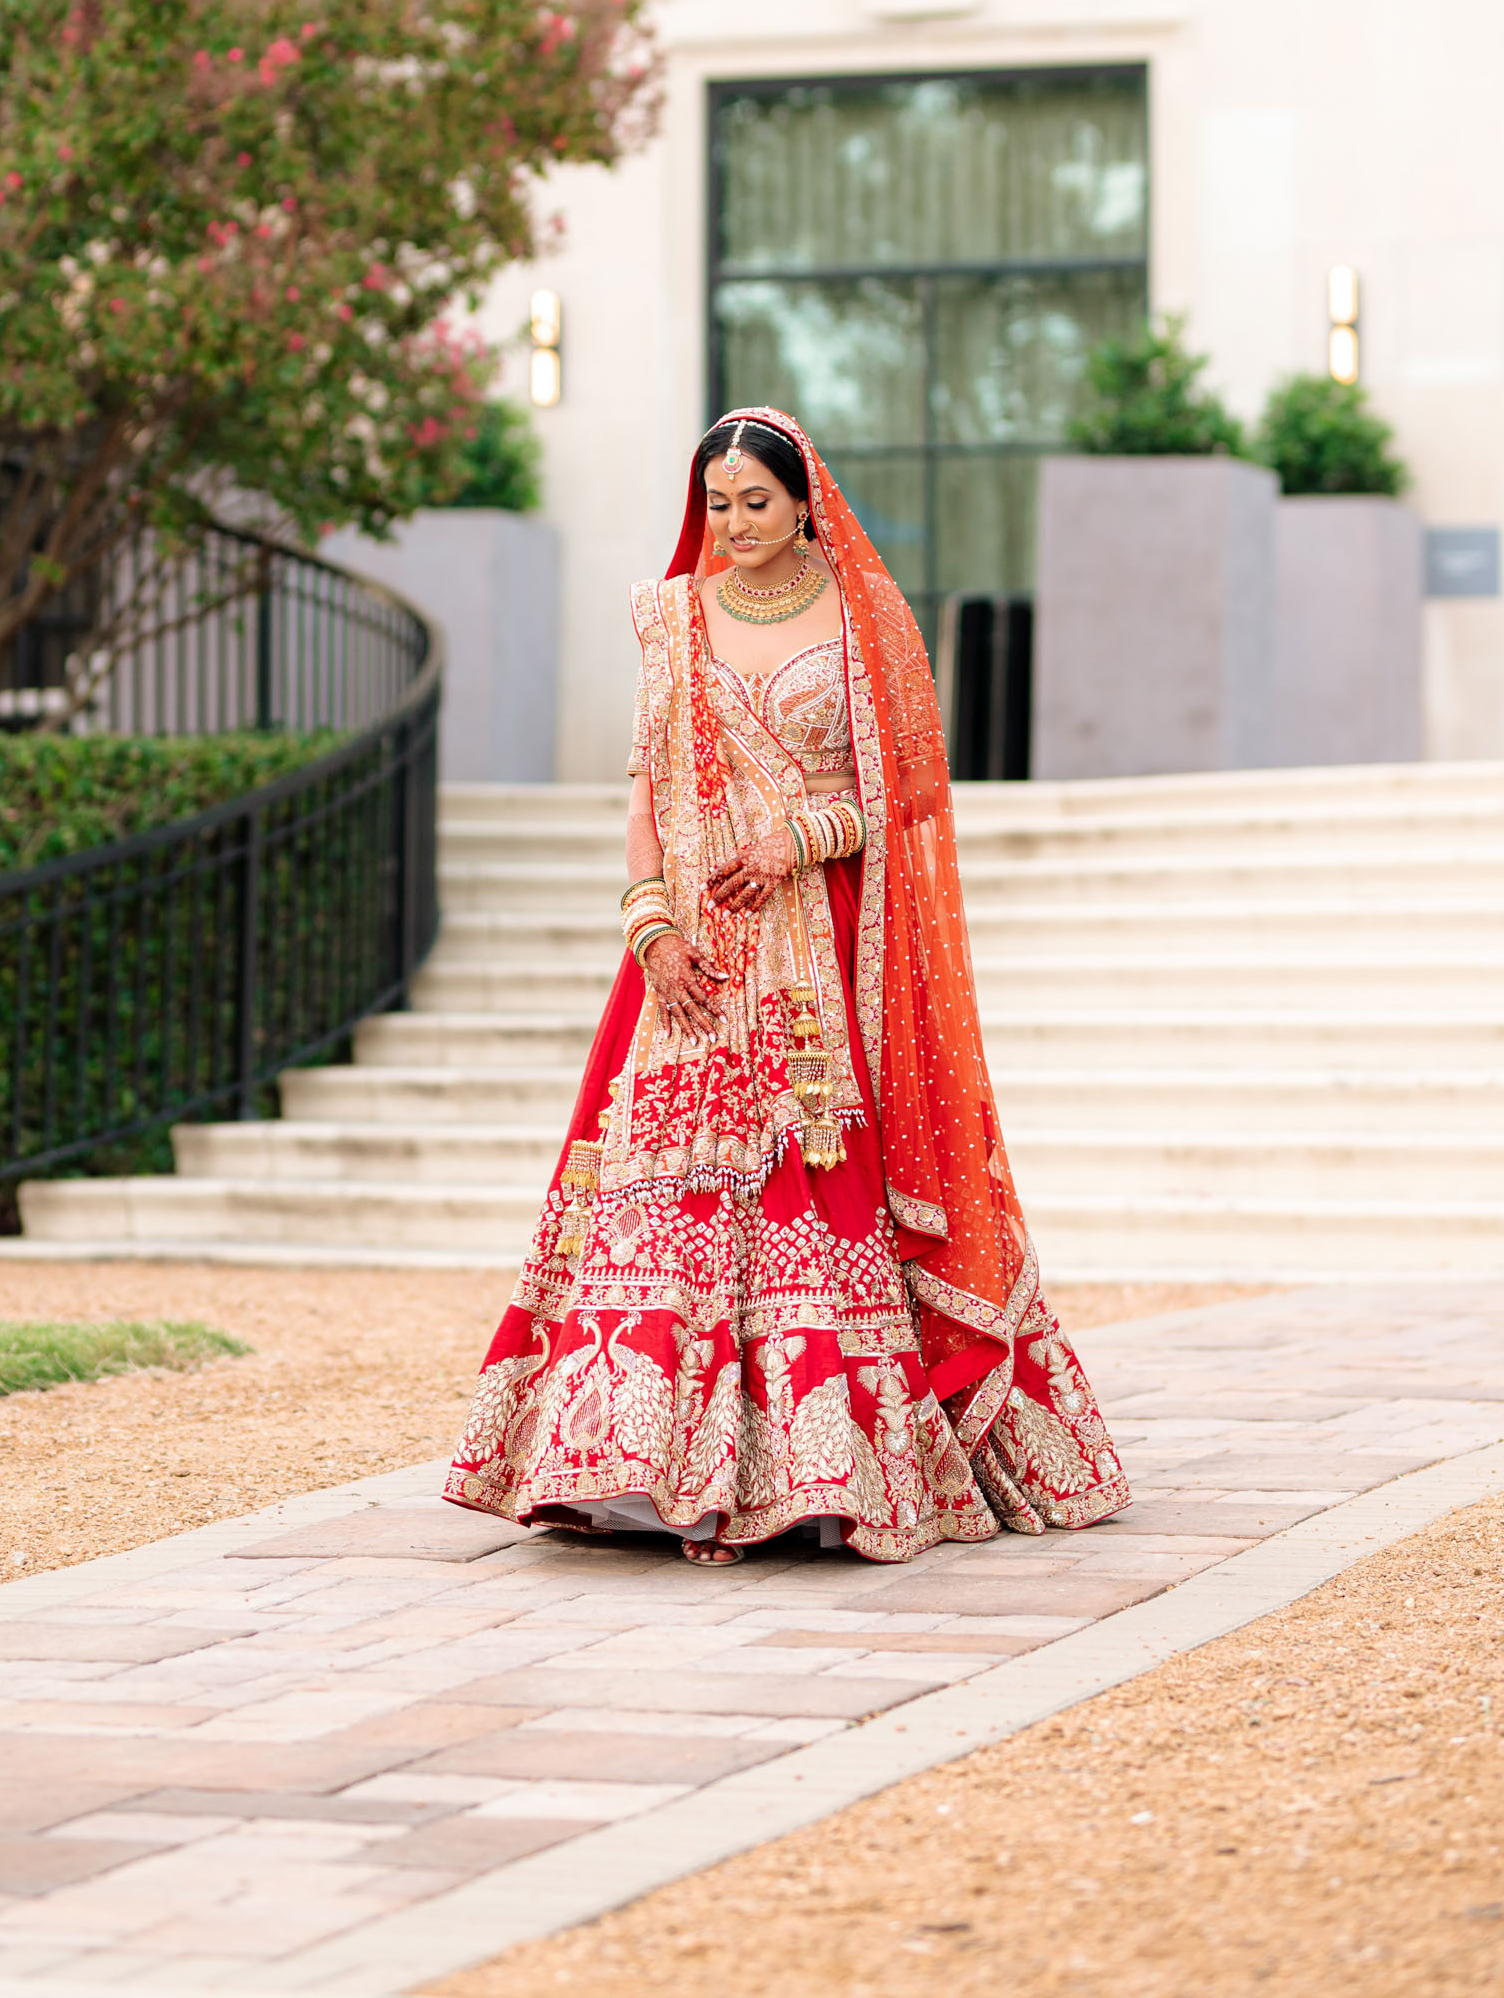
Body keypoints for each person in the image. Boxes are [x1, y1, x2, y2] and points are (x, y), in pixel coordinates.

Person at [443, 406, 1128, 1565]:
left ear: (804, 500)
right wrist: (651, 926)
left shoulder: (864, 622)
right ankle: (632, 1461)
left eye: (754, 502)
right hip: (691, 957)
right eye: (715, 504)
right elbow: (642, 792)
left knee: (807, 1177)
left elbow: (906, 804)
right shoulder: (667, 618)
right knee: (664, 1186)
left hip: (813, 951)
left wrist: (802, 835)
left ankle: (821, 1470)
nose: (734, 524)